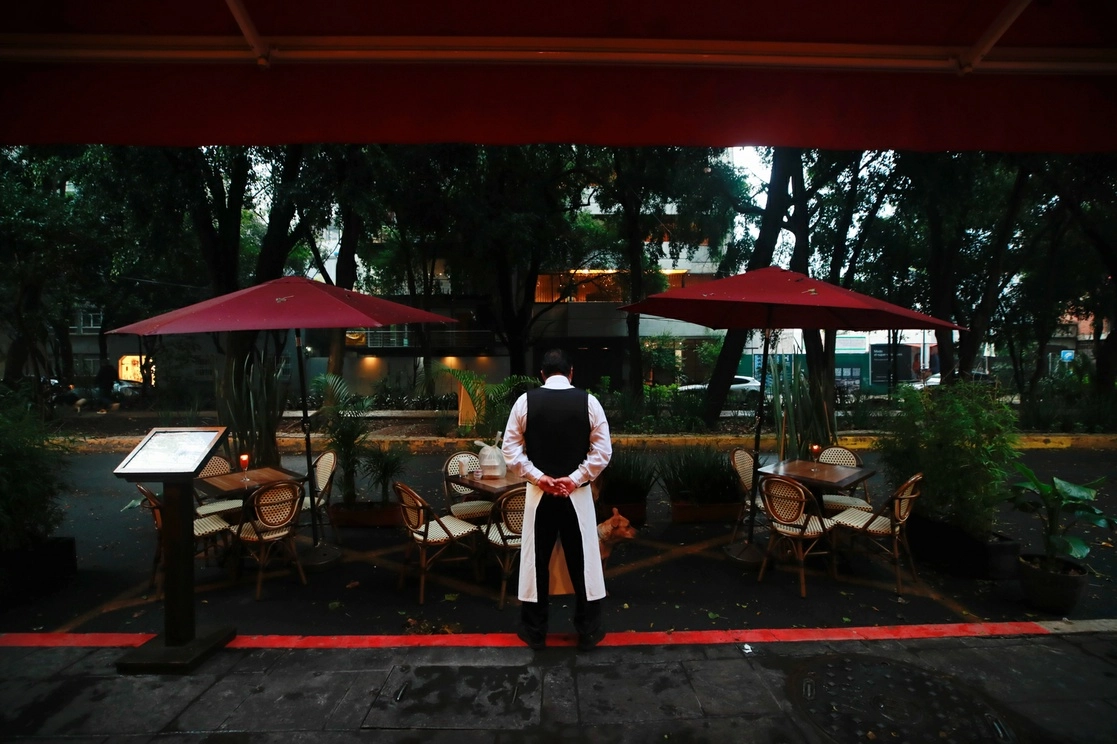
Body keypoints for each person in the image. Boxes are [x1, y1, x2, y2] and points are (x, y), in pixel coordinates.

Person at [502, 348, 612, 651]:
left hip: (539, 495)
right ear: (571, 372)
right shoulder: (589, 402)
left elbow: (510, 450)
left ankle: (535, 631)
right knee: (583, 561)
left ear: (542, 374)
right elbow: (602, 451)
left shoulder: (525, 402)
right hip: (577, 495)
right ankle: (588, 631)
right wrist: (575, 478)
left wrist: (539, 477)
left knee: (535, 561)